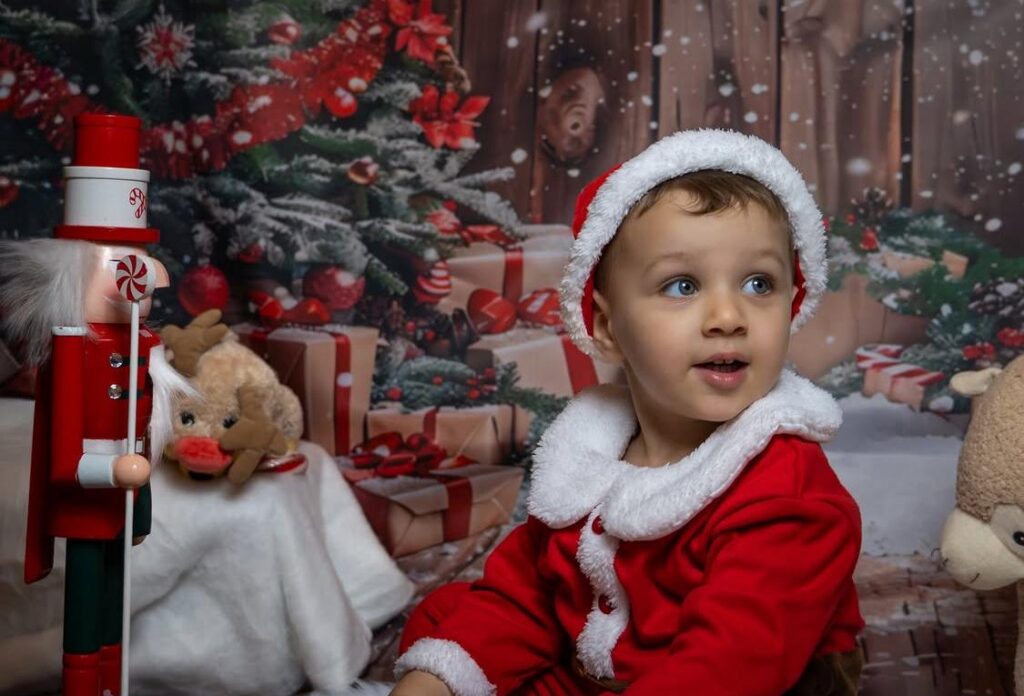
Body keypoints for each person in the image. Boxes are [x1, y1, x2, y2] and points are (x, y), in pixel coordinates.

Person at [390, 129, 865, 696]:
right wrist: (436, 678)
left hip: (740, 681)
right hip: (609, 666)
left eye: (758, 283)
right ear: (607, 327)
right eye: (682, 285)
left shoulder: (787, 492)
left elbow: (725, 669)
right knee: (453, 628)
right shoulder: (592, 455)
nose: (728, 315)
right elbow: (531, 590)